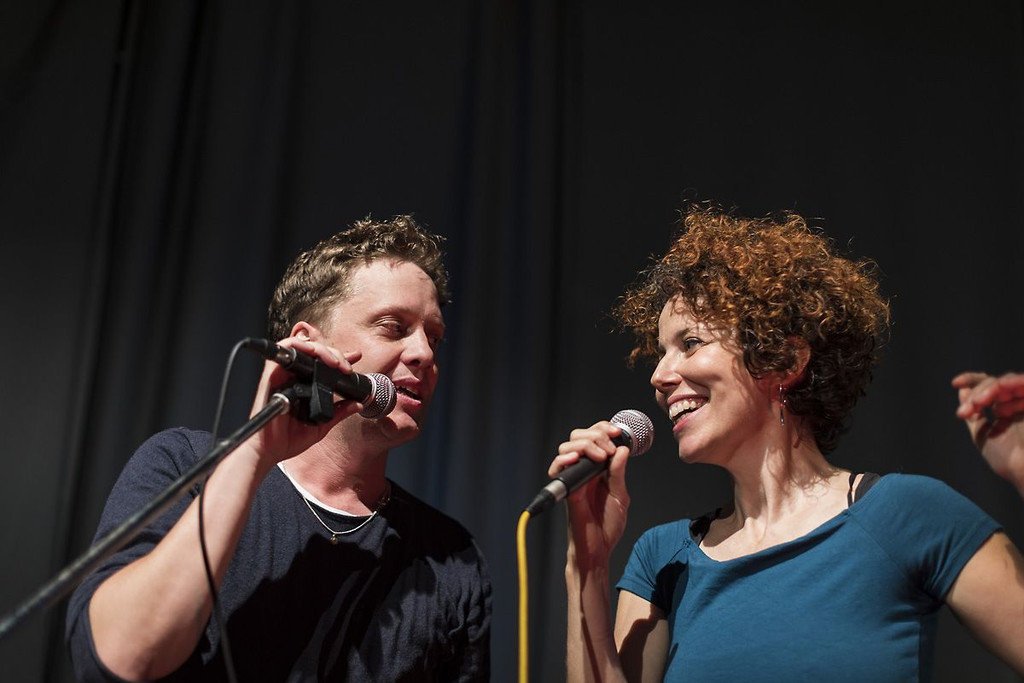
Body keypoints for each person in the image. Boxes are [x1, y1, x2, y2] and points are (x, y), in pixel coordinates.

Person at [547, 204, 1024, 682]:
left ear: (785, 361)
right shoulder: (662, 558)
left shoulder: (907, 515)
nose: (659, 376)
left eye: (689, 343)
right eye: (660, 352)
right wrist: (586, 565)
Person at [66, 216, 491, 681]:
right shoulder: (184, 465)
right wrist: (252, 454)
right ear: (308, 345)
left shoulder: (450, 554)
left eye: (434, 338)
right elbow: (124, 658)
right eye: (394, 327)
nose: (425, 354)